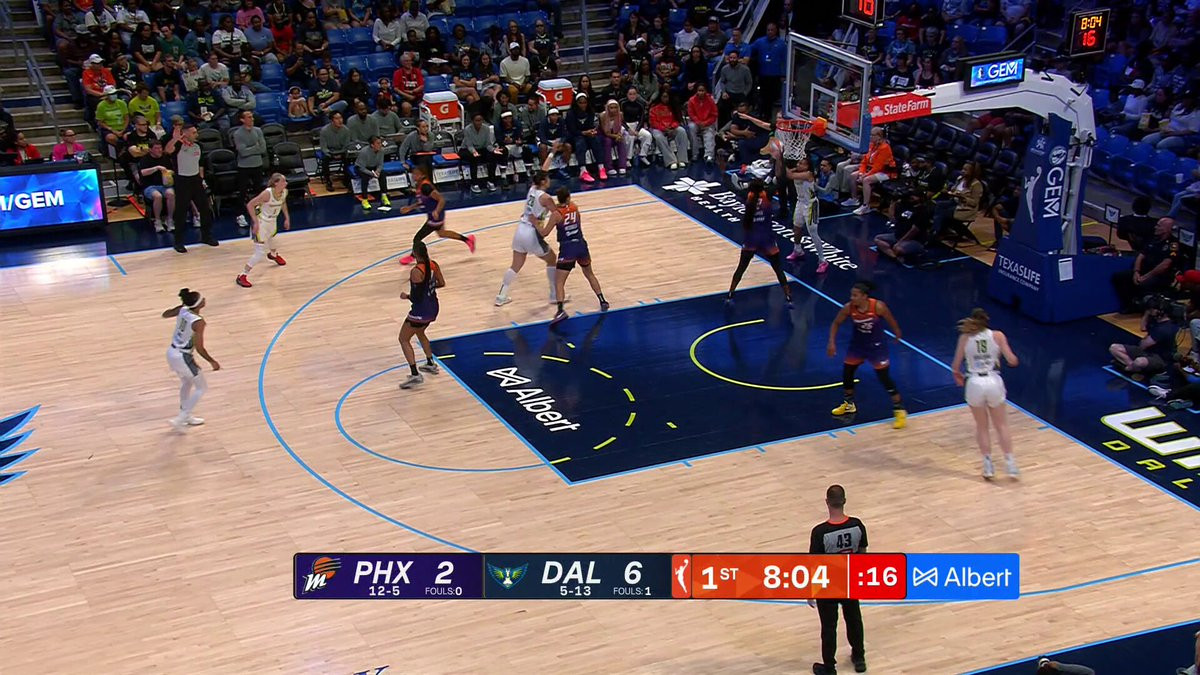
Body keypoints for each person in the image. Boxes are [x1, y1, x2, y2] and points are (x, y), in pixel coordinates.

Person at [950, 308, 1020, 479]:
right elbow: (1012, 360)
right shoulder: (998, 336)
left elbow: (955, 366)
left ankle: (988, 465)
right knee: (1001, 425)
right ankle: (1010, 464)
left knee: (982, 427)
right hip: (993, 381)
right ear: (987, 320)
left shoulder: (965, 338)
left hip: (974, 383)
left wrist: (958, 376)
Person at [827, 282, 907, 428]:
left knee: (884, 378)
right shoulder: (848, 308)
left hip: (876, 347)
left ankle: (899, 410)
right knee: (847, 373)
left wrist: (897, 332)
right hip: (858, 345)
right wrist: (831, 342)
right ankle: (849, 404)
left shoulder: (878, 306)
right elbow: (836, 323)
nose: (852, 298)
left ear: (864, 296)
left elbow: (890, 319)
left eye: (855, 295)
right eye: (851, 295)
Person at [808, 484, 868, 675]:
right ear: (844, 501)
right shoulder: (857, 525)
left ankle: (829, 667)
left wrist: (811, 590)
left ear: (827, 502)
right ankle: (859, 658)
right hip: (850, 580)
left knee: (829, 627)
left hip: (829, 585)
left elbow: (815, 565)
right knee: (854, 619)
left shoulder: (820, 532)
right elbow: (863, 555)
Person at [539, 187, 609, 325]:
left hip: (568, 248)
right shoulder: (575, 207)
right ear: (568, 197)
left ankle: (560, 311)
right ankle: (602, 300)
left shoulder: (556, 214)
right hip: (581, 245)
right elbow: (566, 206)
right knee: (589, 274)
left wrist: (536, 224)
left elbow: (545, 233)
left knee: (559, 281)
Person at [496, 171, 561, 306]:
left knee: (515, 265)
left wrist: (550, 157)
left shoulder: (532, 189)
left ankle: (501, 295)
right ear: (543, 181)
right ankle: (554, 295)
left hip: (520, 229)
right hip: (532, 232)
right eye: (548, 178)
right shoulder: (546, 198)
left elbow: (543, 170)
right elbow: (556, 214)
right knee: (552, 259)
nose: (549, 180)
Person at [726, 179, 792, 305]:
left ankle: (730, 294)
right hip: (767, 238)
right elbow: (780, 184)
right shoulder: (767, 193)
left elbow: (732, 188)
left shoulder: (747, 195)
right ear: (762, 187)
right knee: (778, 269)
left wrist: (725, 175)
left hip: (751, 239)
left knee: (741, 268)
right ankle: (788, 297)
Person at [162, 288, 220, 430]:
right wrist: (212, 361)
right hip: (182, 356)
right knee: (201, 387)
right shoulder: (198, 322)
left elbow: (165, 314)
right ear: (199, 304)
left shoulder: (183, 310)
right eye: (202, 298)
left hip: (171, 352)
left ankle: (185, 416)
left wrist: (181, 307)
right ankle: (181, 418)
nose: (204, 299)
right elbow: (200, 348)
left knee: (187, 382)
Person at [398, 165, 476, 264]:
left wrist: (437, 211)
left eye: (416, 174)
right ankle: (468, 240)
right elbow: (422, 201)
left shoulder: (426, 187)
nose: (413, 176)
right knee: (442, 233)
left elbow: (441, 199)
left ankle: (414, 257)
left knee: (417, 238)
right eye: (413, 174)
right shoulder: (420, 185)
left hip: (436, 215)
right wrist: (410, 207)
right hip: (433, 214)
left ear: (422, 175)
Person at [397, 241, 444, 390]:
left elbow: (416, 298)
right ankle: (430, 363)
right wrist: (429, 288)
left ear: (415, 254)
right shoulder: (433, 264)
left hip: (421, 311)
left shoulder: (416, 271)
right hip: (433, 307)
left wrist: (406, 296)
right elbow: (441, 283)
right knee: (420, 332)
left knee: (403, 339)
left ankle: (415, 375)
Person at [165, 123, 217, 252]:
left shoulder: (198, 146)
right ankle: (178, 242)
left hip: (196, 180)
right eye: (193, 133)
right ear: (186, 133)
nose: (196, 135)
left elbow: (200, 164)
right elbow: (168, 150)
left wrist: (202, 179)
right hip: (182, 180)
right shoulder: (178, 146)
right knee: (181, 212)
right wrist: (175, 139)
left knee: (205, 209)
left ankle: (206, 236)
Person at [1112, 217, 1178, 313]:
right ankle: (1130, 305)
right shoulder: (1153, 239)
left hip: (1159, 275)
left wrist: (1147, 276)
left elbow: (1165, 265)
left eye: (1158, 226)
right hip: (1144, 271)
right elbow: (1141, 255)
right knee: (1119, 277)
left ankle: (1148, 307)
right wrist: (1136, 272)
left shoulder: (1173, 245)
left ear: (1166, 229)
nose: (1155, 227)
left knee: (1144, 284)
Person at [236, 173, 290, 288]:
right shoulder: (267, 193)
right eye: (283, 181)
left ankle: (273, 255)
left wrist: (287, 218)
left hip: (272, 221)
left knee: (274, 242)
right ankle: (242, 275)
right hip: (261, 222)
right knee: (259, 253)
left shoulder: (284, 192)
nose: (286, 183)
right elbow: (250, 205)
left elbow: (283, 203)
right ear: (276, 183)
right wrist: (255, 222)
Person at [1109, 299, 1179, 377]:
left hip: (1160, 357)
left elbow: (1143, 345)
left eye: (1151, 309)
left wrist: (1137, 350)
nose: (1150, 311)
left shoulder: (1165, 328)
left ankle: (1129, 368)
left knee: (1139, 362)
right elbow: (1143, 328)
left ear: (1161, 311)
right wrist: (1146, 313)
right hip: (1147, 351)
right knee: (1114, 348)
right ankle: (1133, 367)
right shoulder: (1155, 320)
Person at [786, 158, 830, 274]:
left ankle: (823, 261)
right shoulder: (797, 172)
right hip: (800, 202)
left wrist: (781, 158)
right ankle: (798, 250)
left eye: (802, 164)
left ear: (808, 166)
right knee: (796, 228)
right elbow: (785, 174)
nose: (799, 165)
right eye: (798, 163)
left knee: (813, 233)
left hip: (811, 204)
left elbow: (789, 175)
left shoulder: (808, 174)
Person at [842, 127, 894, 215]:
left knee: (866, 180)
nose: (870, 137)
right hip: (871, 169)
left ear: (879, 136)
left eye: (873, 135)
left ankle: (866, 206)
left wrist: (865, 175)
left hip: (885, 172)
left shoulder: (885, 148)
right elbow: (864, 161)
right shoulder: (872, 145)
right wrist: (861, 173)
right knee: (853, 175)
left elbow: (878, 167)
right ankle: (854, 199)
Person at [138, 139, 176, 232]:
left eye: (160, 148)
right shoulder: (145, 159)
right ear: (150, 149)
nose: (159, 150)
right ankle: (157, 221)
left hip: (164, 185)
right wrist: (156, 168)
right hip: (150, 186)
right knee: (157, 196)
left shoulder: (165, 158)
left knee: (171, 194)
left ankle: (170, 219)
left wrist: (168, 173)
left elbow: (172, 170)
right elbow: (142, 173)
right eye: (156, 148)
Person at [354, 135, 391, 210]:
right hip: (361, 167)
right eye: (378, 143)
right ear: (372, 145)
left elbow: (380, 164)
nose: (380, 145)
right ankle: (364, 200)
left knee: (383, 174)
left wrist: (378, 171)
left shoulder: (381, 151)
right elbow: (362, 168)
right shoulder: (364, 152)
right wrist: (372, 174)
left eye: (380, 143)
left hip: (373, 167)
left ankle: (384, 196)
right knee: (365, 177)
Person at [686, 83, 717, 164]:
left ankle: (709, 156)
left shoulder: (710, 100)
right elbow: (691, 114)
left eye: (703, 91)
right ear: (696, 91)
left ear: (706, 91)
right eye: (699, 91)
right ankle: (695, 154)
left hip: (707, 122)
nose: (701, 92)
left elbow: (714, 114)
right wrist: (699, 122)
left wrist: (706, 122)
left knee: (709, 133)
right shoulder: (691, 100)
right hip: (695, 122)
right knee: (691, 128)